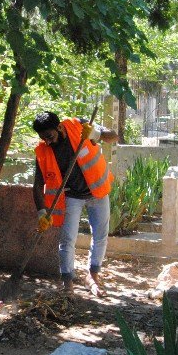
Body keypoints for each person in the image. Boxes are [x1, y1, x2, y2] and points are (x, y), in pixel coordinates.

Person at [31, 111, 117, 296]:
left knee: (100, 236)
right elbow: (37, 185)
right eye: (43, 138)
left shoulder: (78, 125)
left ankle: (93, 275)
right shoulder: (43, 151)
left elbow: (114, 136)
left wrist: (95, 134)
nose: (48, 141)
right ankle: (67, 282)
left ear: (59, 127)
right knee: (67, 239)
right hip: (72, 197)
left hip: (98, 193)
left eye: (50, 136)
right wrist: (41, 213)